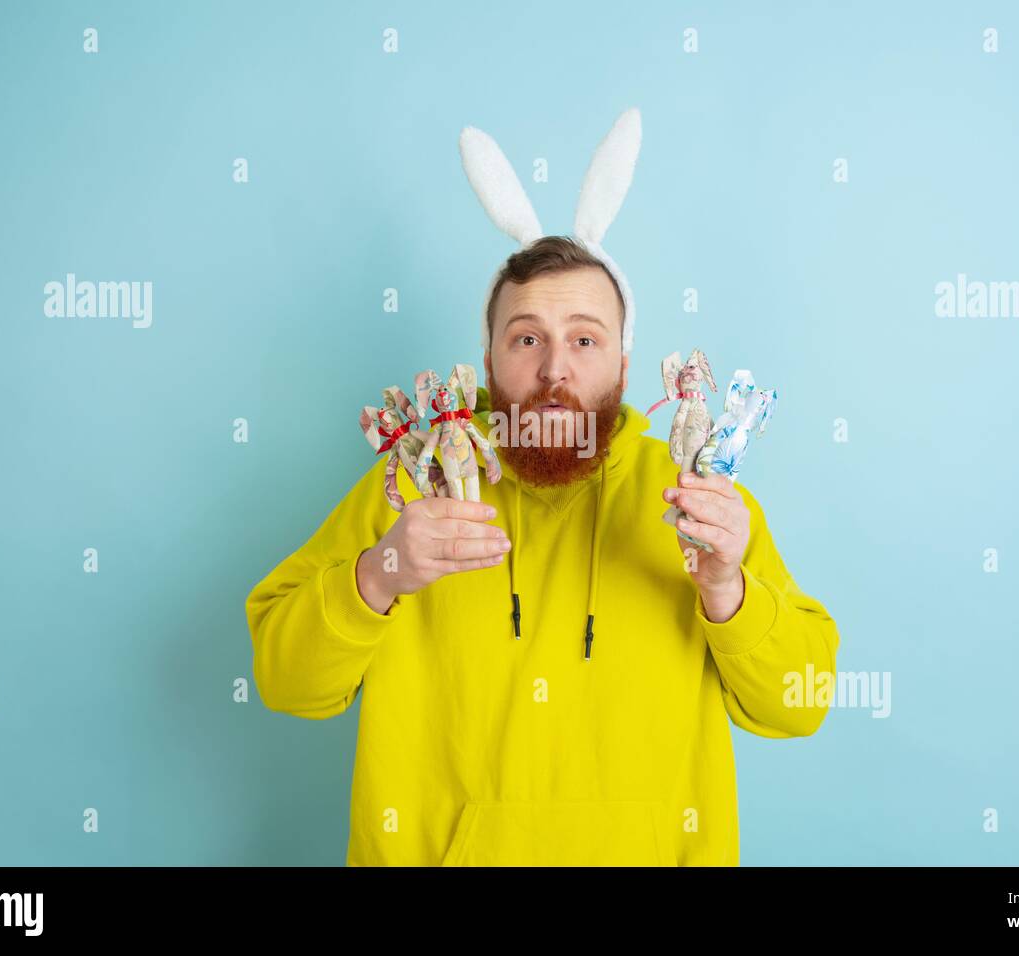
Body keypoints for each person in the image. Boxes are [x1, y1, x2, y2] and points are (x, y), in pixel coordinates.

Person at [245, 236, 840, 866]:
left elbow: (798, 706)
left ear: (624, 367)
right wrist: (378, 573)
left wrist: (727, 591)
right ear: (488, 361)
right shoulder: (412, 487)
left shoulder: (697, 499)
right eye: (526, 338)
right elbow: (287, 684)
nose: (555, 368)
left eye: (585, 340)